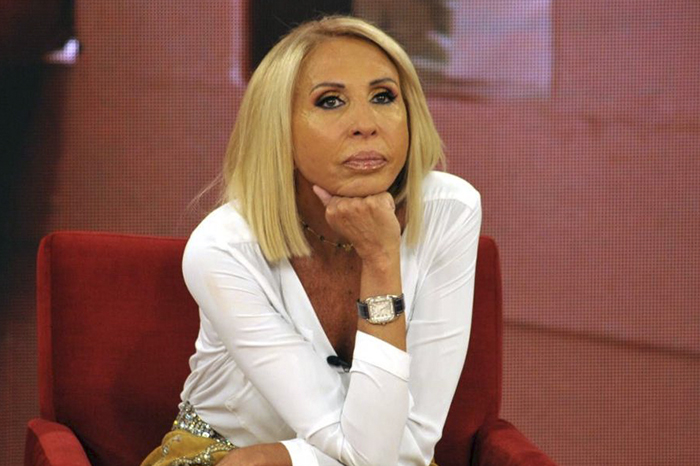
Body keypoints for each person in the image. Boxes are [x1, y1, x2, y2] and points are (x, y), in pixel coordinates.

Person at [142, 15, 481, 466]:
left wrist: (381, 259)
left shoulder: (449, 210)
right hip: (228, 456)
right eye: (330, 101)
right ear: (278, 128)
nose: (365, 124)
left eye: (383, 96)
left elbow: (411, 441)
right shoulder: (223, 248)